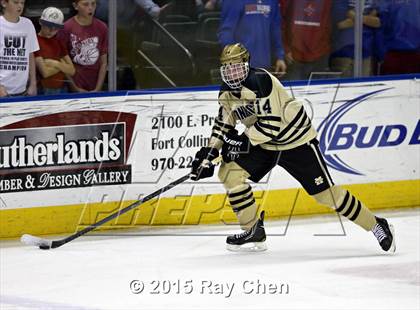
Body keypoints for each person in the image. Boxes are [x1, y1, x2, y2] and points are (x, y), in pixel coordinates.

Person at [190, 43, 396, 253]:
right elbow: (224, 123)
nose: (233, 73)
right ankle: (253, 230)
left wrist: (238, 143)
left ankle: (377, 224)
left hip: (296, 141)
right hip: (266, 144)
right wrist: (209, 152)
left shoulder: (261, 82)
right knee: (229, 174)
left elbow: (271, 126)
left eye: (237, 67)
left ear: (246, 65)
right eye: (228, 68)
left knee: (326, 195)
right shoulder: (226, 92)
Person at [218, 0, 287, 76]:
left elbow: (275, 29)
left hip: (265, 65)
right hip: (240, 67)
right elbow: (226, 32)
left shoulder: (272, 1)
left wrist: (279, 57)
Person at [58, 0, 108, 92]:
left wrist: (98, 88)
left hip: (95, 84)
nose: (90, 8)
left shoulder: (102, 27)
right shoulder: (66, 28)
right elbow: (62, 61)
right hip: (74, 85)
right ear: (75, 6)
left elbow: (103, 62)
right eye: (85, 4)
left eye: (93, 4)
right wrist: (74, 88)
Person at [280, 0, 333, 80]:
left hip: (319, 57)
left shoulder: (327, 2)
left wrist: (325, 51)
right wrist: (286, 49)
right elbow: (280, 22)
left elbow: (331, 24)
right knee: (294, 91)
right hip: (294, 58)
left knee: (318, 91)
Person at [330, 0, 381, 77]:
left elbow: (377, 23)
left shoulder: (372, 2)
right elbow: (341, 24)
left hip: (365, 52)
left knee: (363, 87)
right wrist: (367, 17)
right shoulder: (340, 1)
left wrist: (352, 15)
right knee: (343, 86)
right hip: (343, 52)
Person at [0, 0, 39, 97]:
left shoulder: (28, 24)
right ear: (4, 3)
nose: (20, 6)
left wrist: (33, 83)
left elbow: (30, 54)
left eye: (22, 3)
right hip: (2, 88)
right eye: (16, 2)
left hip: (22, 90)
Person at [34, 7, 75, 95]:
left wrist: (55, 63)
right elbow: (45, 72)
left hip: (62, 88)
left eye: (56, 28)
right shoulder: (35, 41)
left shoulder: (59, 42)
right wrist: (63, 66)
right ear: (41, 22)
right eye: (48, 26)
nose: (52, 30)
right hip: (43, 89)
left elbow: (72, 70)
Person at [377, 0, 420, 75]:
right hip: (394, 54)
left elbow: (381, 27)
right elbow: (381, 26)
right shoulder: (386, 3)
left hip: (401, 54)